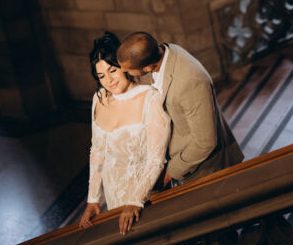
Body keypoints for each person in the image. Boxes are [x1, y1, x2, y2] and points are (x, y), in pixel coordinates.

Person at [117, 32, 244, 186]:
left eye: (127, 70)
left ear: (148, 67)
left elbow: (205, 142)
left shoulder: (189, 81)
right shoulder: (164, 53)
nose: (123, 72)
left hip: (209, 169)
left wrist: (172, 171)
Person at [79, 31, 170, 234]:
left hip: (145, 196)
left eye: (112, 70)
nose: (109, 80)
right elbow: (98, 151)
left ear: (123, 66)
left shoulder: (150, 98)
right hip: (114, 196)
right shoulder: (99, 99)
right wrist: (93, 199)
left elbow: (156, 159)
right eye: (101, 76)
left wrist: (135, 201)